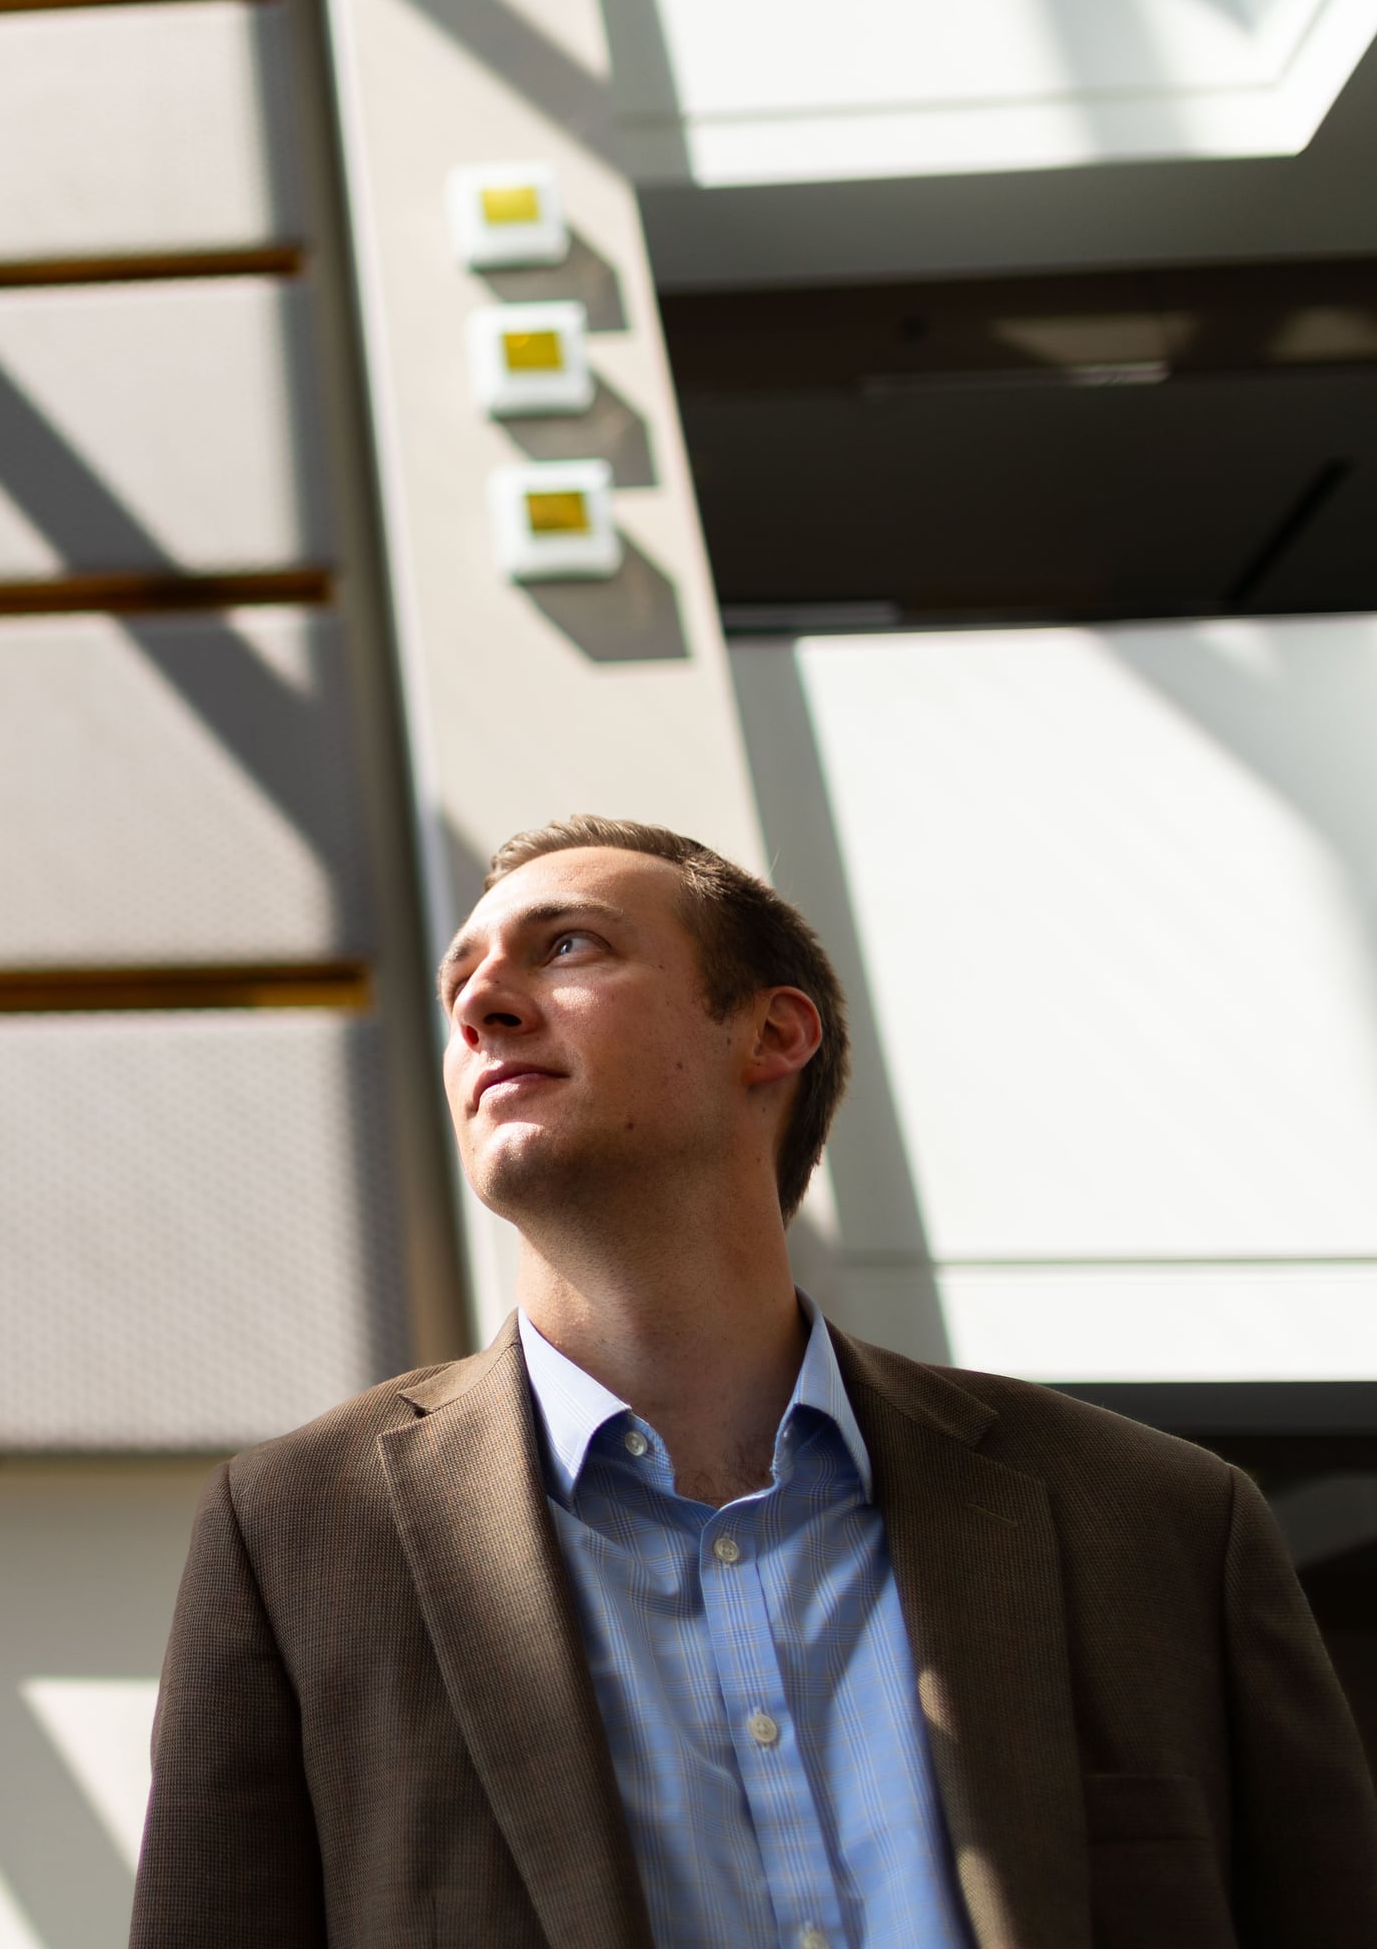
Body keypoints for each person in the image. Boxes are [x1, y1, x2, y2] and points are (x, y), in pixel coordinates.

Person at [129, 815, 1377, 1948]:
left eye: (565, 946)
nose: (482, 1006)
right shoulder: (297, 1529)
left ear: (772, 1031)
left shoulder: (1159, 1518)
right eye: (462, 979)